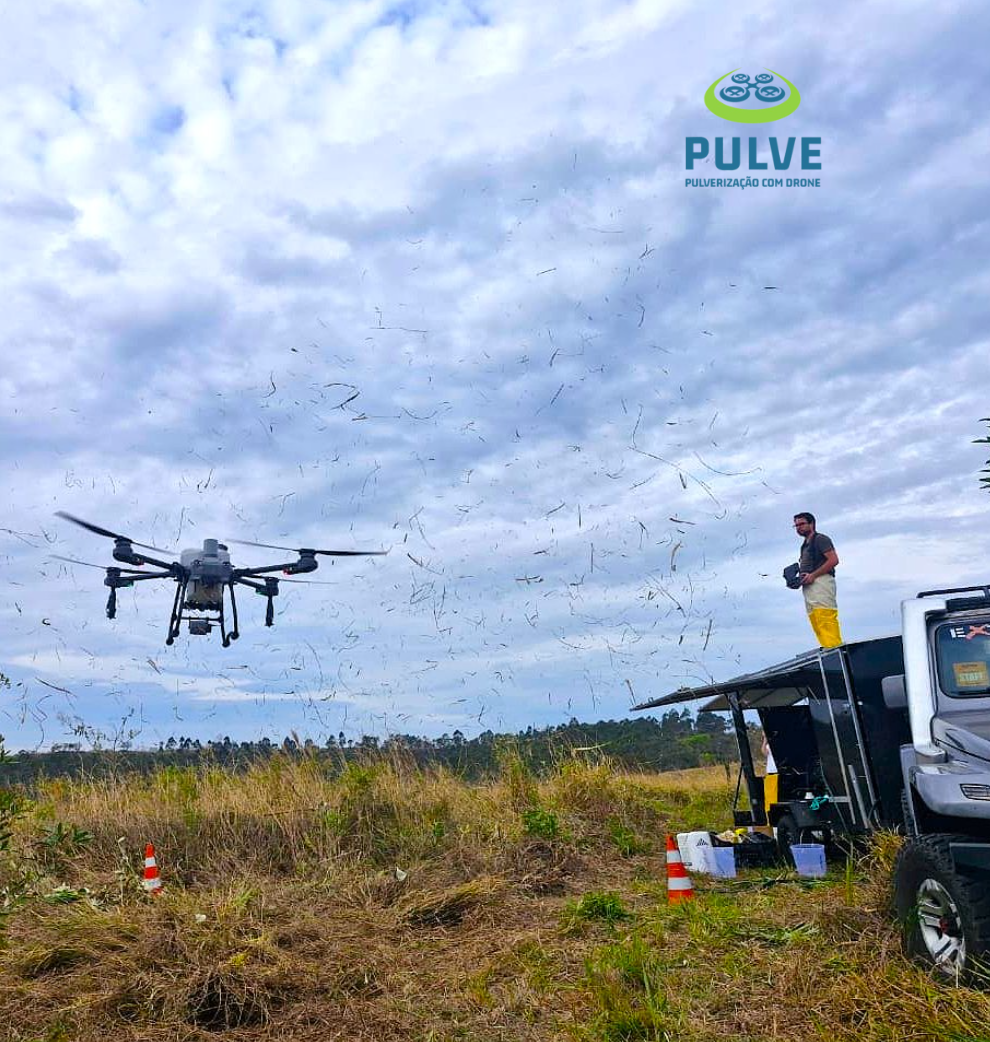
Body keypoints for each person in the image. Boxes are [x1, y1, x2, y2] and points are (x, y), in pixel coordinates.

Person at [793, 512, 843, 648]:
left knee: (824, 616)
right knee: (815, 619)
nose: (799, 527)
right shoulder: (805, 545)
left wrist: (813, 575)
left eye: (802, 524)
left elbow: (833, 560)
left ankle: (834, 648)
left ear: (812, 524)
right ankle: (828, 648)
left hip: (821, 582)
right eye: (796, 525)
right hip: (809, 585)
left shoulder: (820, 539)